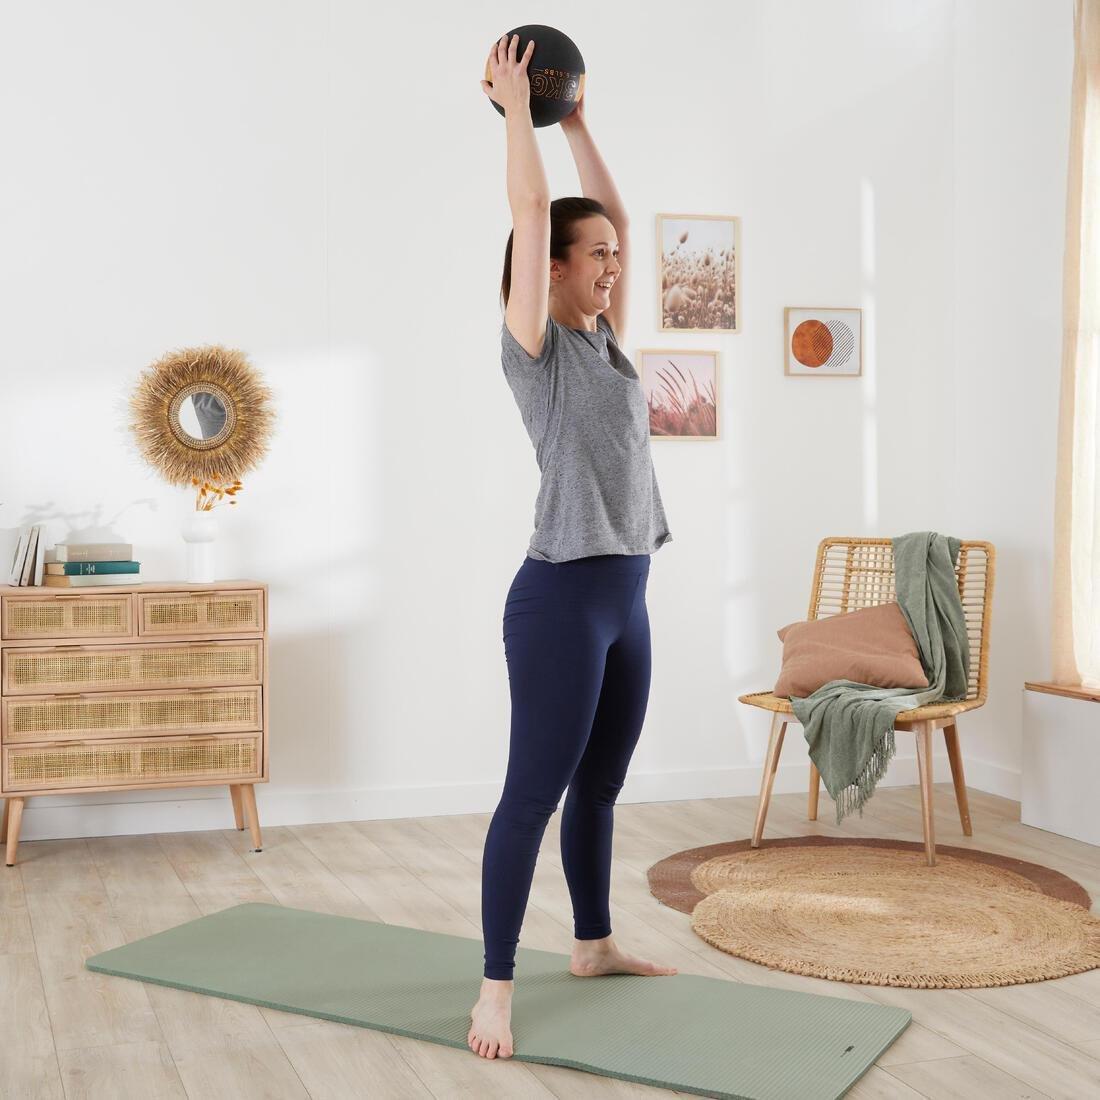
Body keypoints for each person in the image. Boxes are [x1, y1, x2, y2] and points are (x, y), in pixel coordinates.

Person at [468, 34, 677, 1062]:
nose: (610, 265)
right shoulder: (537, 348)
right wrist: (519, 110)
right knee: (531, 794)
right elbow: (524, 214)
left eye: (611, 258)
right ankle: (494, 986)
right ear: (549, 270)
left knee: (599, 787)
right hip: (559, 602)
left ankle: (591, 944)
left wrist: (578, 118)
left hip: (627, 594)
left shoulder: (603, 340)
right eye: (592, 256)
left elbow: (623, 216)